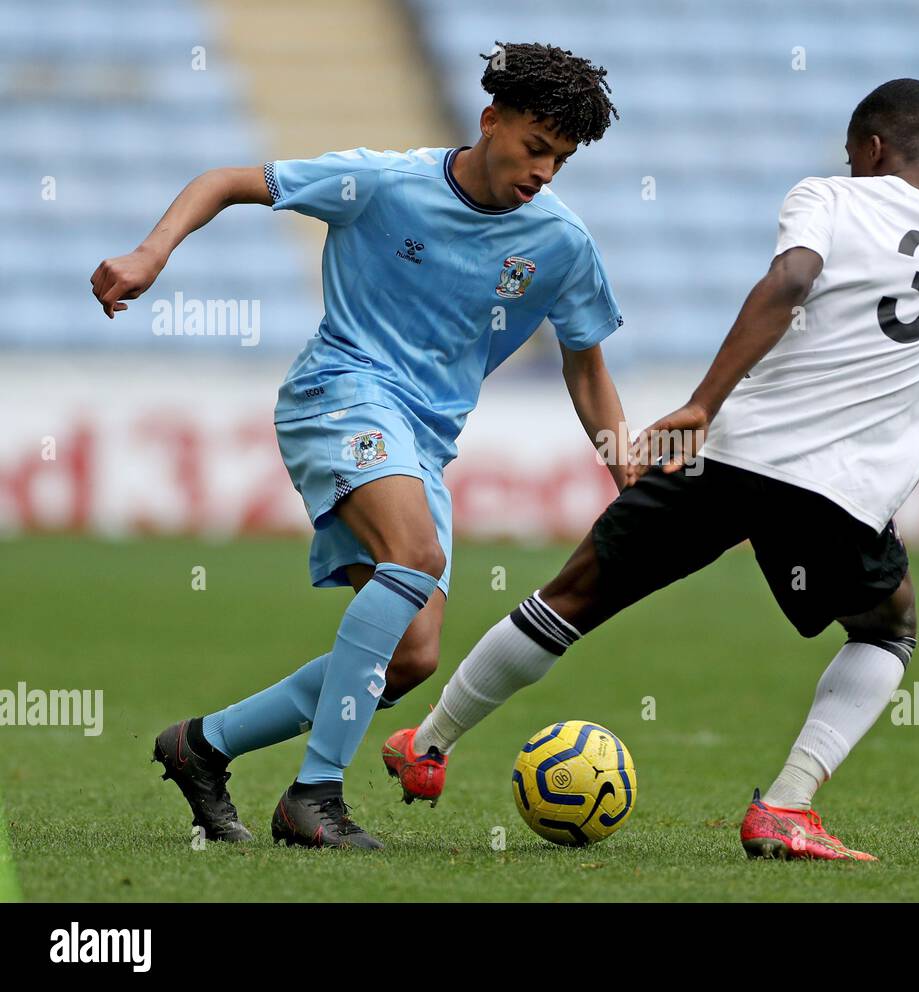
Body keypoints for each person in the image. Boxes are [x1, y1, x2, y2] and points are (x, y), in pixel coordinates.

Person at [385, 77, 919, 860]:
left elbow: (791, 278)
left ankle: (427, 746)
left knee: (573, 594)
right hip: (840, 490)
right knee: (887, 628)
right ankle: (786, 807)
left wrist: (702, 404)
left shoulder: (827, 196)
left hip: (732, 452)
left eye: (848, 152)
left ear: (868, 148)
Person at [91, 42, 629, 849]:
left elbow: (586, 368)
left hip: (422, 442)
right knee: (415, 558)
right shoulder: (381, 182)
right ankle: (314, 796)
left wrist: (627, 467)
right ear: (490, 121)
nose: (545, 171)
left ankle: (201, 746)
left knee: (412, 656)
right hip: (338, 392)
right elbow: (226, 181)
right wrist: (150, 253)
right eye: (535, 147)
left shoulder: (560, 244)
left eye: (562, 158)